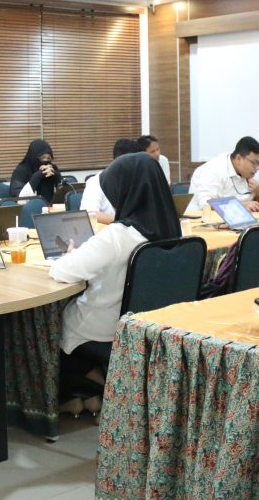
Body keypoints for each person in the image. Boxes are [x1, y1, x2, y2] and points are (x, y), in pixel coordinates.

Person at [50, 153, 180, 388]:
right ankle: (98, 389)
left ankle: (94, 388)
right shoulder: (174, 230)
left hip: (106, 329)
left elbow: (62, 272)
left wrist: (69, 255)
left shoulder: (118, 236)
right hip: (155, 328)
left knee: (54, 325)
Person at [188, 136, 259, 211]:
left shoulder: (253, 170)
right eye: (254, 163)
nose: (257, 168)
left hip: (241, 218)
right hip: (203, 218)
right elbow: (206, 204)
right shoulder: (213, 169)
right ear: (238, 158)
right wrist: (241, 205)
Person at [80, 138, 141, 224]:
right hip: (108, 229)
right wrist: (124, 221)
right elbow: (90, 214)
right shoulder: (95, 182)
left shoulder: (140, 181)